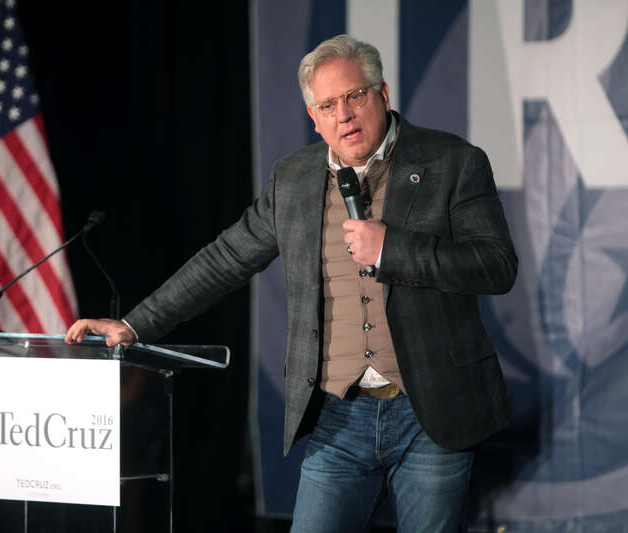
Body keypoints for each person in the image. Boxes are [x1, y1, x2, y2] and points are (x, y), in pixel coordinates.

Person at [66, 34, 517, 532]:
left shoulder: (451, 162)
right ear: (314, 117)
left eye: (355, 96)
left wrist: (394, 248)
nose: (344, 114)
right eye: (328, 104)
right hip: (337, 418)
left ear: (383, 95)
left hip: (432, 414)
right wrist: (135, 323)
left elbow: (496, 264)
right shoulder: (294, 179)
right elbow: (226, 259)